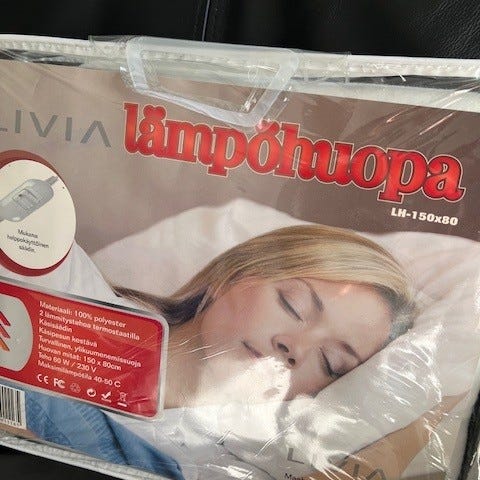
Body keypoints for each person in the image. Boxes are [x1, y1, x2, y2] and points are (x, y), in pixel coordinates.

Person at [3, 223, 438, 480]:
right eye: (293, 305)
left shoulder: (234, 469)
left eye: (331, 362)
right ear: (234, 274)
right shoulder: (61, 286)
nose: (296, 347)